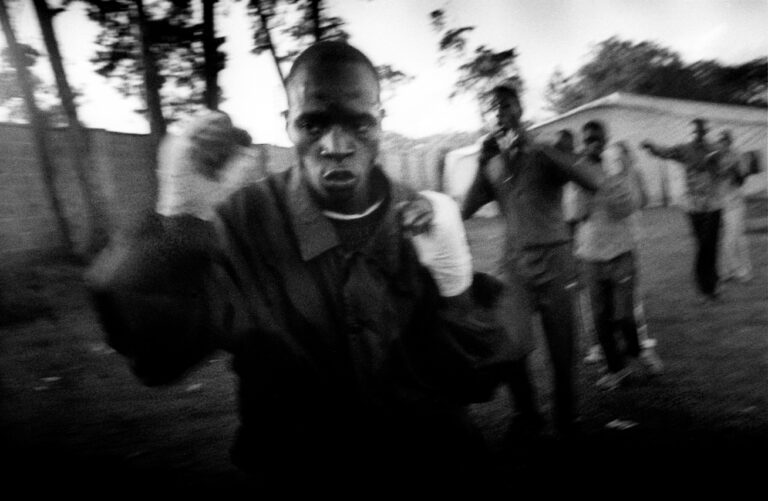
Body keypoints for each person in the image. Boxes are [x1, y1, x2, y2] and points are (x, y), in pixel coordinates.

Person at [85, 41, 514, 496]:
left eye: (358, 123)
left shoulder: (419, 216)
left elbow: (471, 380)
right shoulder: (241, 223)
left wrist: (456, 289)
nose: (336, 146)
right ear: (287, 124)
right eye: (313, 123)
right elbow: (158, 357)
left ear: (380, 122)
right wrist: (180, 219)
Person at [461, 80, 607, 438]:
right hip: (514, 263)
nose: (499, 113)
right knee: (508, 343)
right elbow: (465, 208)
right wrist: (481, 164)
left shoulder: (545, 151)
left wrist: (539, 148)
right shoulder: (492, 163)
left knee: (561, 349)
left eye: (506, 105)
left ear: (520, 110)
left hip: (555, 258)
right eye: (492, 108)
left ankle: (566, 416)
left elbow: (592, 180)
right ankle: (527, 414)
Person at [573, 121, 663, 390]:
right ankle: (615, 369)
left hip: (621, 251)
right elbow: (577, 214)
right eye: (588, 140)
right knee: (600, 317)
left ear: (605, 140)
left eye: (597, 139)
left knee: (624, 315)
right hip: (590, 255)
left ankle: (638, 352)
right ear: (583, 143)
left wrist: (607, 183)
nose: (593, 144)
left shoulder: (615, 167)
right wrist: (583, 190)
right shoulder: (576, 170)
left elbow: (628, 206)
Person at [640, 118, 726, 302]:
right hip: (694, 205)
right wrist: (651, 147)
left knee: (710, 245)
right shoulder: (685, 149)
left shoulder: (715, 149)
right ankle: (707, 287)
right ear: (693, 132)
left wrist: (715, 164)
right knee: (702, 245)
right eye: (696, 131)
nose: (699, 134)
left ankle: (710, 285)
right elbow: (665, 152)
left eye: (702, 131)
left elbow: (723, 171)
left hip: (713, 204)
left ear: (706, 132)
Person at [714, 130, 753, 283]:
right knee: (727, 237)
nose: (722, 144)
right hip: (721, 202)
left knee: (735, 238)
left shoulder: (738, 156)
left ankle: (742, 271)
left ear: (730, 142)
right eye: (720, 141)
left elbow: (741, 180)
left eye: (725, 141)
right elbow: (713, 178)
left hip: (735, 202)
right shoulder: (716, 158)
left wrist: (733, 169)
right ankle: (727, 271)